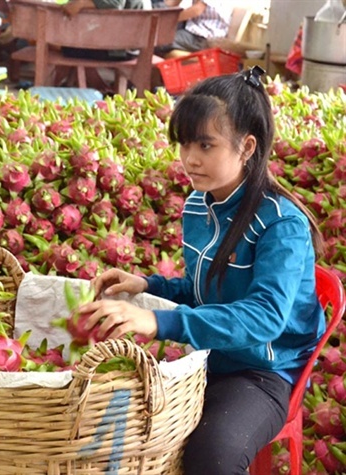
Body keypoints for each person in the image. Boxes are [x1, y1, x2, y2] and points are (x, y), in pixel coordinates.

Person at [78, 67, 325, 474]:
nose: (190, 159)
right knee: (117, 431)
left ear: (247, 147)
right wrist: (148, 285)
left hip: (262, 371)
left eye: (206, 145)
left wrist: (160, 321)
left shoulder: (281, 225)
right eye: (184, 143)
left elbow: (264, 318)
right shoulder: (198, 204)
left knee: (213, 456)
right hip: (207, 357)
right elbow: (206, 290)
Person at [156, 0, 233, 57]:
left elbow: (197, 10)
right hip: (195, 29)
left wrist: (166, 20)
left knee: (157, 41)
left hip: (204, 37)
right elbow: (170, 3)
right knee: (154, 34)